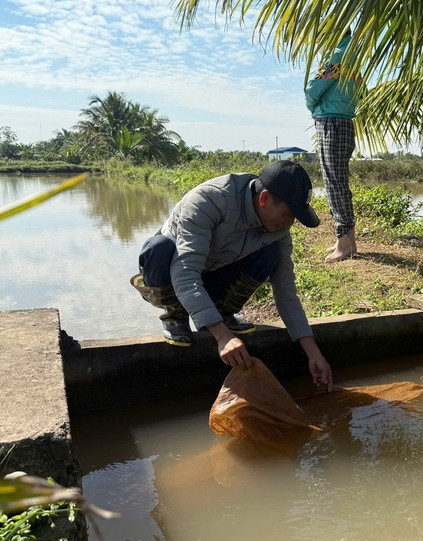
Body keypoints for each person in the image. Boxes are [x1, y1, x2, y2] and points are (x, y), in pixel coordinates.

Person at [130, 160, 333, 391]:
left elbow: (286, 291)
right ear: (264, 199)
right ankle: (174, 315)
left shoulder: (279, 232)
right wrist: (223, 337)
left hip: (213, 275)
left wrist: (314, 353)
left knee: (271, 253)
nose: (290, 223)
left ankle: (222, 311)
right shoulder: (209, 201)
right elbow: (185, 273)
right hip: (170, 276)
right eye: (288, 214)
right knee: (159, 247)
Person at [305, 28, 361, 263]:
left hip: (332, 123)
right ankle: (346, 240)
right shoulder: (356, 55)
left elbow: (313, 89)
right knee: (338, 182)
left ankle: (345, 243)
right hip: (344, 121)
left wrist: (310, 104)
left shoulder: (337, 55)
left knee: (334, 184)